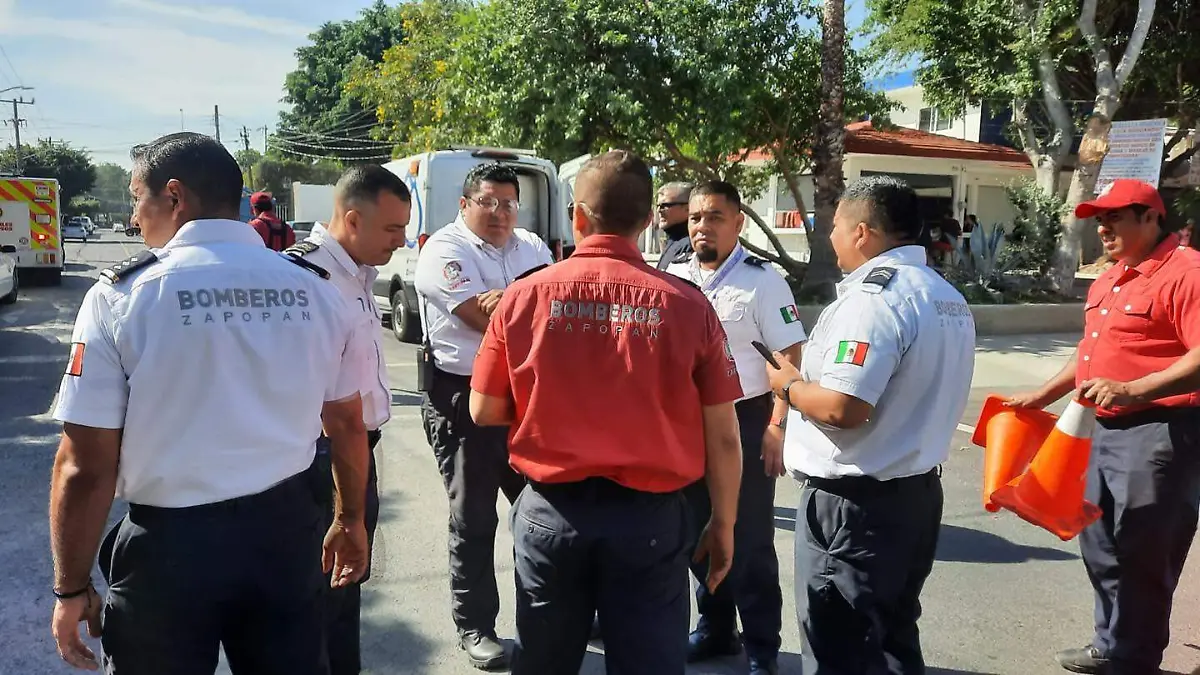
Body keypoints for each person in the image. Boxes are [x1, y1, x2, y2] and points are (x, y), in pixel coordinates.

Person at [48, 132, 373, 675]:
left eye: (136, 199)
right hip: (286, 536)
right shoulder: (315, 289)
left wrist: (71, 587)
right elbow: (346, 421)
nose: (133, 218)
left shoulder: (122, 297)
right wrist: (351, 518)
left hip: (171, 550)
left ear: (174, 197)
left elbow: (84, 465)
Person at [468, 150, 744, 675]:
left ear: (577, 216)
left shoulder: (523, 297)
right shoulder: (687, 305)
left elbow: (484, 409)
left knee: (545, 661)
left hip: (552, 512)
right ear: (648, 221)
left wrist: (554, 410)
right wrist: (724, 523)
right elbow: (724, 437)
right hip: (650, 522)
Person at [766, 175, 976, 674]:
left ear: (863, 232)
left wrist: (788, 387)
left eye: (833, 224)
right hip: (914, 496)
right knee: (893, 639)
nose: (829, 235)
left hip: (856, 509)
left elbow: (845, 408)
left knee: (842, 645)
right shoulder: (944, 296)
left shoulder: (872, 301)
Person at [1005, 179, 1200, 675]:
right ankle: (1110, 642)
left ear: (1151, 217)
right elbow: (1089, 351)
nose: (1103, 226)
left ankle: (1134, 659)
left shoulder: (1187, 273)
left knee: (1144, 551)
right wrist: (1043, 395)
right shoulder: (1110, 277)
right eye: (1099, 218)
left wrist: (1136, 389)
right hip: (1098, 428)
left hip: (1160, 431)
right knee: (1099, 543)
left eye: (1115, 216)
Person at [413, 162, 555, 669]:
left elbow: (555, 314)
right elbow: (480, 317)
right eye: (488, 203)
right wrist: (527, 297)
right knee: (473, 519)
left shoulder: (533, 247)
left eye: (509, 204)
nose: (500, 214)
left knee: (545, 514)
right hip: (461, 397)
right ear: (464, 204)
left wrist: (509, 299)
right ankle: (474, 623)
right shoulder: (443, 251)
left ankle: (550, 613)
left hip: (527, 399)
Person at [664, 181, 807, 675]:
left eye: (715, 217)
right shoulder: (673, 271)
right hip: (684, 424)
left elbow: (788, 355)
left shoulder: (762, 280)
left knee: (747, 540)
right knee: (693, 533)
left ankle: (763, 647)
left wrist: (777, 424)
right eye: (697, 217)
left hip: (744, 421)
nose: (703, 226)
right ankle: (716, 628)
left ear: (738, 222)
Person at [285, 164, 412, 675]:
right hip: (321, 457)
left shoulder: (358, 272)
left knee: (345, 585)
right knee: (318, 592)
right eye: (392, 229)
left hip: (355, 451)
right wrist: (347, 511)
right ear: (352, 219)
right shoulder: (305, 278)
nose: (401, 241)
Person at [655, 181, 694, 270]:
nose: (659, 210)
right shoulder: (674, 240)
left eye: (664, 206)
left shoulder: (690, 245)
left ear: (687, 208)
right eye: (658, 205)